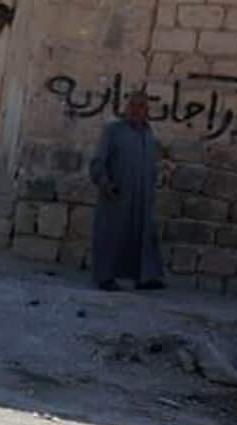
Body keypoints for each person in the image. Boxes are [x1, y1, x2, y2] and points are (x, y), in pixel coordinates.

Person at [88, 91, 165, 292]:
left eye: (141, 106)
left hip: (141, 198)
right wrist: (105, 183)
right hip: (116, 195)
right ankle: (105, 278)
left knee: (141, 237)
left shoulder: (148, 135)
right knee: (111, 236)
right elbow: (97, 163)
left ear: (146, 111)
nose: (135, 110)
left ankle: (144, 277)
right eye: (132, 105)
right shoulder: (113, 131)